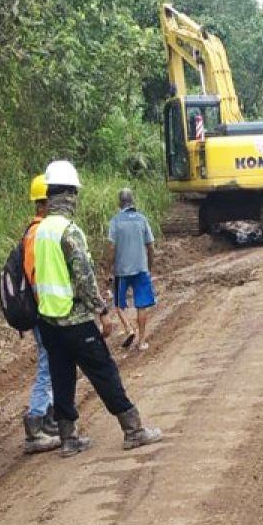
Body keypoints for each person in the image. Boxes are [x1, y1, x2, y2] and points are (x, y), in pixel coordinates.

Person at [34, 161, 162, 457]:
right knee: (104, 372)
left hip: (49, 321)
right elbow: (83, 278)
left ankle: (68, 439)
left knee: (61, 377)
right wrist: (102, 311)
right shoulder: (69, 230)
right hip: (75, 319)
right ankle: (133, 430)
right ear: (69, 195)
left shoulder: (42, 231)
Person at [21, 174, 60, 455]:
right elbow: (37, 278)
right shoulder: (38, 235)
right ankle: (35, 424)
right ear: (45, 203)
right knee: (48, 364)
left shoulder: (32, 231)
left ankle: (47, 419)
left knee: (53, 361)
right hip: (42, 312)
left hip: (39, 310)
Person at [107, 188, 157, 351]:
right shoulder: (142, 220)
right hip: (141, 269)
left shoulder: (115, 221)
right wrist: (149, 266)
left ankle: (129, 329)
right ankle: (142, 342)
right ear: (132, 202)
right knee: (141, 306)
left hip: (122, 271)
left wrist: (109, 268)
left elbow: (112, 248)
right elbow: (150, 246)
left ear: (119, 203)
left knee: (118, 304)